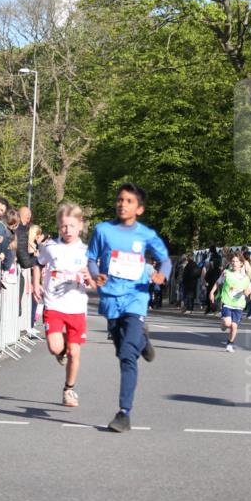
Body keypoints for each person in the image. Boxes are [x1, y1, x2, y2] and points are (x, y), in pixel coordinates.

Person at [87, 183, 171, 433]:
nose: (123, 204)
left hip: (136, 300)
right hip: (111, 300)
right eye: (120, 200)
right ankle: (143, 341)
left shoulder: (145, 235)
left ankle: (124, 413)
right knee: (121, 348)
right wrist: (95, 274)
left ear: (140, 208)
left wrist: (161, 275)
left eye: (129, 201)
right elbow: (91, 258)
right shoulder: (102, 230)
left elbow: (165, 259)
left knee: (126, 355)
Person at [32, 203, 93, 408]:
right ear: (59, 226)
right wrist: (36, 283)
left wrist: (89, 277)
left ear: (81, 226)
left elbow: (96, 281)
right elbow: (38, 264)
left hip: (77, 307)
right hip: (54, 304)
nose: (67, 230)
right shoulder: (50, 247)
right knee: (55, 347)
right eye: (64, 226)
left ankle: (69, 390)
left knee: (74, 352)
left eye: (72, 226)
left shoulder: (87, 251)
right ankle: (62, 348)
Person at [209, 252, 251, 351]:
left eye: (237, 261)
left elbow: (250, 289)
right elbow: (218, 282)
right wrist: (212, 292)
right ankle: (223, 324)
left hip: (239, 305)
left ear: (241, 263)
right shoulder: (226, 273)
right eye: (233, 261)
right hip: (227, 302)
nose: (234, 263)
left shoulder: (245, 277)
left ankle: (230, 344)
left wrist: (247, 291)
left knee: (234, 326)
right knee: (227, 324)